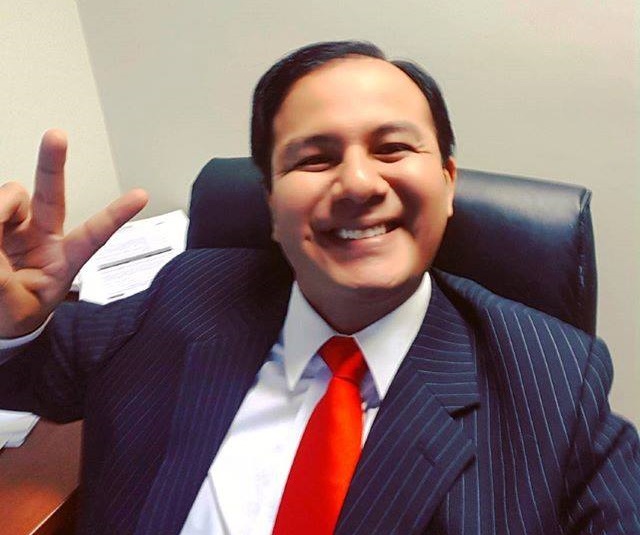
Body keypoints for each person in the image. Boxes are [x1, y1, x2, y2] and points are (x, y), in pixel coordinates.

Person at [0, 41, 638, 535]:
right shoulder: (192, 293)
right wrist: (15, 323)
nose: (358, 183)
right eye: (314, 158)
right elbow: (31, 375)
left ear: (448, 182)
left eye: (393, 148)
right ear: (270, 201)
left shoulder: (552, 378)